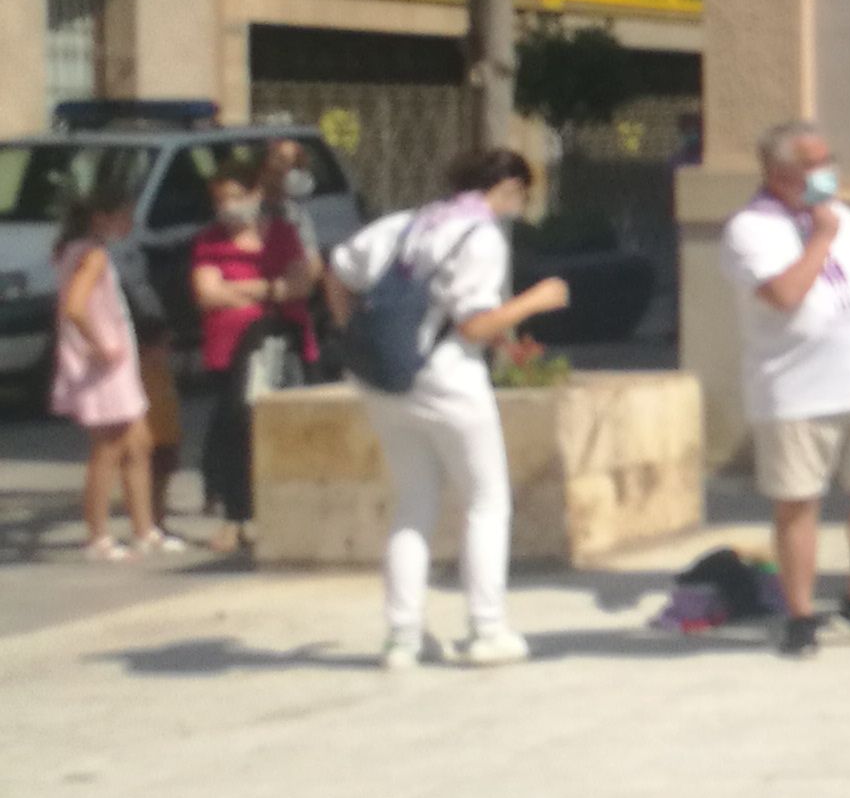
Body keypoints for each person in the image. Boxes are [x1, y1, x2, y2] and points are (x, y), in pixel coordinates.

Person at [322, 149, 572, 666]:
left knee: (414, 501)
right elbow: (475, 325)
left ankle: (402, 637)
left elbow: (338, 271)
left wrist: (353, 333)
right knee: (486, 502)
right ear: (504, 188)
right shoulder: (478, 238)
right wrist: (537, 300)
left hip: (387, 380)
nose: (519, 205)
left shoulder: (405, 223)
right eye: (520, 194)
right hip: (450, 378)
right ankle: (486, 629)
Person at [723, 120, 850, 659]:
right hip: (794, 389)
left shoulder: (846, 217)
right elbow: (785, 293)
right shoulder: (750, 229)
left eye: (827, 160)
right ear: (776, 171)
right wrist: (821, 238)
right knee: (798, 501)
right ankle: (801, 612)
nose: (824, 173)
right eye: (811, 165)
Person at [188, 154, 322, 555]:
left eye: (235, 197)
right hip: (228, 349)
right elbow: (206, 293)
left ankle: (278, 514)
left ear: (256, 194)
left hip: (283, 344)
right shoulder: (210, 241)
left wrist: (244, 289)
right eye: (220, 200)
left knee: (286, 430)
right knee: (234, 429)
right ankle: (236, 514)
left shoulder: (280, 233)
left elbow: (299, 284)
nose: (228, 207)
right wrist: (269, 288)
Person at [49, 189, 161, 562]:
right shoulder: (92, 255)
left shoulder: (80, 250)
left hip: (116, 362)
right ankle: (98, 536)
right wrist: (99, 345)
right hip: (105, 364)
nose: (130, 223)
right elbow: (75, 307)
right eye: (124, 216)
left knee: (138, 443)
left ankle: (144, 530)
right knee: (109, 448)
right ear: (101, 218)